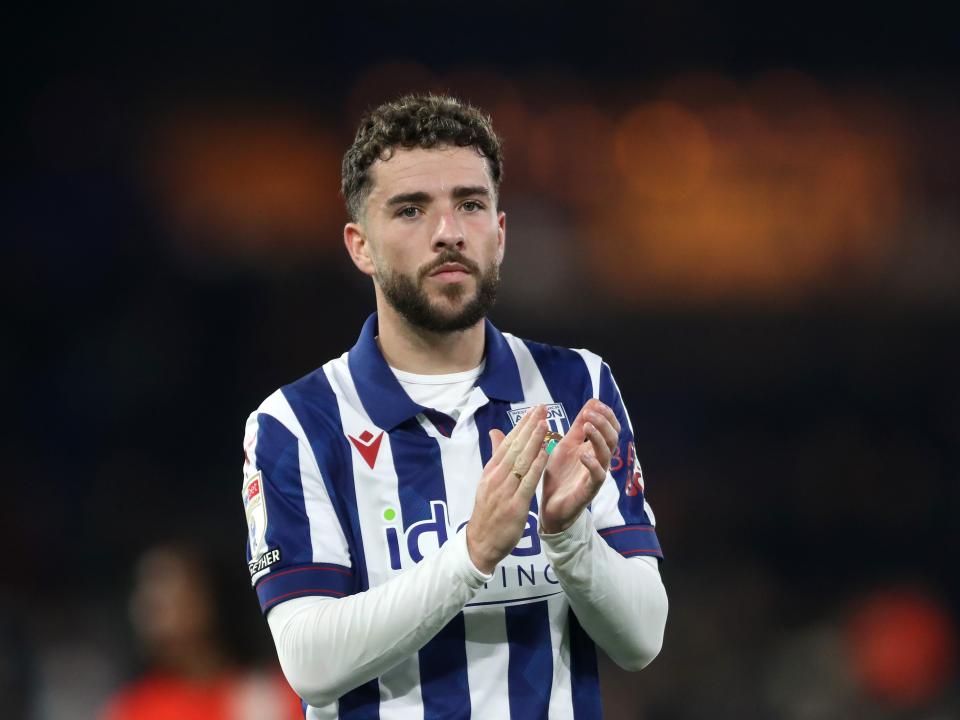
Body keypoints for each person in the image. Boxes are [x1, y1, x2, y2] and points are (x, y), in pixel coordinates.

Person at [241, 94, 668, 719]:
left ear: (499, 232)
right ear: (360, 246)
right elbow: (310, 662)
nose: (448, 232)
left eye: (469, 204)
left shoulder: (577, 386)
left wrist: (568, 536)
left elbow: (642, 640)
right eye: (411, 210)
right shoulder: (297, 424)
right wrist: (470, 554)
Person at [100, 542, 302, 720]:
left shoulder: (272, 695)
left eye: (169, 596)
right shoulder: (135, 709)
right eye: (147, 598)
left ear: (212, 598)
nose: (149, 611)